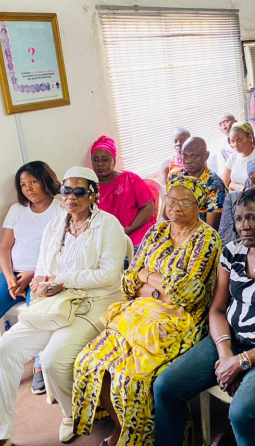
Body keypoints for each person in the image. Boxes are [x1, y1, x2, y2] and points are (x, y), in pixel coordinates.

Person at [153, 187, 255, 446]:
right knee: (165, 386)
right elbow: (218, 310)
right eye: (239, 218)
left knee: (243, 412)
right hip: (230, 339)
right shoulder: (233, 251)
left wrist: (242, 361)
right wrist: (226, 356)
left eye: (253, 217)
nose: (244, 226)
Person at [72, 176, 221, 446]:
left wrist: (146, 277)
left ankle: (143, 438)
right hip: (136, 315)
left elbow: (188, 295)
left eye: (184, 202)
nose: (175, 207)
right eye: (171, 200)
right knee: (89, 362)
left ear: (198, 206)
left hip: (181, 321)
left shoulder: (207, 238)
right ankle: (122, 427)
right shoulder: (157, 231)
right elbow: (128, 281)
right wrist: (157, 285)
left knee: (132, 378)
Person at [0, 167, 126, 446]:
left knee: (52, 360)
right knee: (4, 350)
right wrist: (39, 284)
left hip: (94, 303)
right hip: (55, 302)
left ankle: (72, 414)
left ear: (93, 195)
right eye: (66, 190)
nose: (70, 197)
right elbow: (42, 266)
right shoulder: (55, 225)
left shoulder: (108, 225)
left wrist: (61, 280)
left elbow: (109, 275)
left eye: (79, 191)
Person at [0, 162, 62, 405]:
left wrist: (32, 274)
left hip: (43, 274)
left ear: (45, 180)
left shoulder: (60, 208)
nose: (28, 188)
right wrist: (8, 276)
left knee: (34, 316)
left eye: (33, 182)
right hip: (13, 275)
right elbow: (4, 248)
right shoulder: (17, 210)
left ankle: (39, 366)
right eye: (23, 184)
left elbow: (61, 251)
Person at [91, 136, 155, 247]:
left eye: (105, 160)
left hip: (137, 229)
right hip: (108, 236)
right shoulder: (90, 187)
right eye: (95, 160)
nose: (100, 164)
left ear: (114, 161)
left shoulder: (130, 178)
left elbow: (148, 207)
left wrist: (130, 229)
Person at [165, 137, 227, 230]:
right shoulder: (174, 177)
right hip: (174, 230)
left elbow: (210, 227)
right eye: (185, 155)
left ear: (206, 156)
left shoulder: (215, 185)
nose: (188, 161)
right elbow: (165, 214)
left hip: (198, 233)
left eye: (194, 156)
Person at [222, 122, 255, 191]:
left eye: (239, 140)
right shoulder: (233, 157)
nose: (235, 145)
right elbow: (224, 185)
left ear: (250, 137)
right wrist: (235, 186)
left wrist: (233, 185)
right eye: (232, 141)